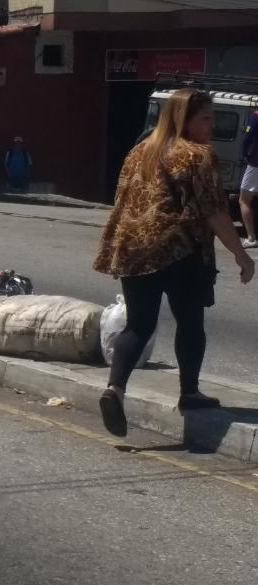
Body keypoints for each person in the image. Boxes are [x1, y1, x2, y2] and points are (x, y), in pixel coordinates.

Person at [93, 89, 254, 437]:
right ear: (184, 120)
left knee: (138, 325)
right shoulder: (198, 155)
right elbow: (214, 211)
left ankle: (114, 389)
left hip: (134, 248)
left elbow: (121, 198)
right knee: (190, 321)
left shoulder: (139, 151)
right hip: (181, 251)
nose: (211, 125)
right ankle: (189, 393)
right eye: (206, 118)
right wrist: (241, 255)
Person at [239, 109, 258, 248]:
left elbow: (249, 136)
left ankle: (251, 238)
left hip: (256, 163)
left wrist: (246, 154)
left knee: (244, 199)